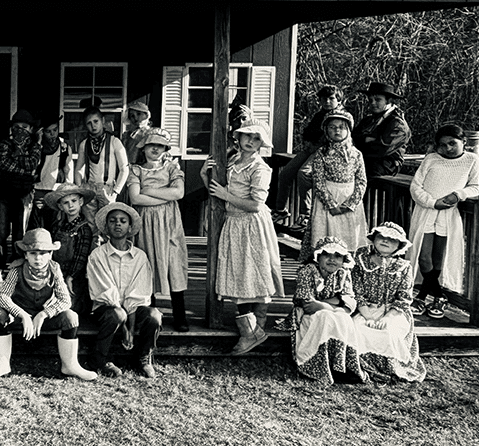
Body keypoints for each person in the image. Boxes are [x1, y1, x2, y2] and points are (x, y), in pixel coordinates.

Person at [202, 121, 286, 356]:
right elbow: (216, 193)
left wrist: (226, 194)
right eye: (246, 136)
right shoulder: (232, 161)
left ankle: (255, 329)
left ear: (261, 143)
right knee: (238, 275)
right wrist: (204, 175)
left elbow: (256, 204)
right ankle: (251, 333)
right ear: (238, 138)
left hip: (251, 224)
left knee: (255, 273)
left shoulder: (260, 168)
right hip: (233, 221)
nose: (249, 141)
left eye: (256, 138)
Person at [0, 228, 96, 382]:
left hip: (43, 320)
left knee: (70, 316)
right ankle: (2, 363)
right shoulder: (17, 270)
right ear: (26, 255)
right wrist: (21, 314)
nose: (38, 258)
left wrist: (44, 314)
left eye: (43, 253)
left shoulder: (54, 269)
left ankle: (70, 364)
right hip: (20, 319)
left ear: (50, 254)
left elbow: (65, 300)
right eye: (33, 253)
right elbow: (2, 296)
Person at [408, 123, 479, 318]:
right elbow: (415, 187)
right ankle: (437, 295)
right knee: (424, 257)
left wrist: (458, 194)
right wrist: (432, 202)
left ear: (463, 142)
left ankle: (424, 297)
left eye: (452, 143)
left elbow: (476, 186)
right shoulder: (431, 159)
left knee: (439, 257)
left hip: (448, 214)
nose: (447, 148)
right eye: (443, 144)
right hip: (426, 211)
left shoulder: (472, 160)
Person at [125, 127, 190, 332]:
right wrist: (163, 194)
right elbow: (135, 198)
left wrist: (148, 190)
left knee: (173, 262)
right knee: (148, 261)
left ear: (165, 148)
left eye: (160, 145)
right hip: (145, 223)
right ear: (144, 147)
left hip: (169, 222)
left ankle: (180, 315)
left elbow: (179, 193)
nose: (155, 149)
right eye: (152, 144)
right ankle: (151, 315)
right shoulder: (136, 170)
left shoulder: (171, 168)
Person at [87, 202, 162, 379]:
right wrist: (125, 327)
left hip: (132, 311)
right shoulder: (97, 255)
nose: (118, 224)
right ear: (106, 227)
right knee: (116, 314)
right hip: (106, 310)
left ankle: (143, 357)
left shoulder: (140, 257)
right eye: (113, 221)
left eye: (123, 221)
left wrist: (131, 326)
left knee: (154, 316)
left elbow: (138, 294)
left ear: (130, 228)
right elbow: (106, 292)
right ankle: (99, 359)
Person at [351, 223, 427, 382]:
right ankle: (363, 368)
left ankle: (392, 369)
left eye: (392, 239)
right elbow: (357, 292)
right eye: (381, 237)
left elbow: (404, 298)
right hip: (366, 308)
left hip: (394, 312)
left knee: (389, 331)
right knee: (358, 328)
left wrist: (387, 318)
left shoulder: (404, 267)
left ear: (399, 245)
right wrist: (369, 317)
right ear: (374, 239)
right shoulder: (361, 261)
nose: (385, 241)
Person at [290, 236, 365, 387]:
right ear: (318, 256)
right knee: (326, 317)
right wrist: (336, 302)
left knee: (344, 319)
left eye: (338, 256)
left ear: (344, 259)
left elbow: (349, 303)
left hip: (331, 312)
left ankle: (341, 365)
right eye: (327, 255)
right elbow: (308, 304)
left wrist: (326, 305)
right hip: (308, 316)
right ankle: (318, 364)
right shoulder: (308, 271)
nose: (332, 260)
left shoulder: (343, 273)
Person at [273, 84, 347, 227]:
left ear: (339, 99)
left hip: (326, 151)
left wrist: (316, 141)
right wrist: (309, 141)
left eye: (331, 98)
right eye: (323, 99)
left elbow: (332, 138)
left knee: (304, 173)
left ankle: (305, 215)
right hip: (310, 148)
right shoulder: (319, 115)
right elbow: (307, 132)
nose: (326, 102)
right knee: (285, 173)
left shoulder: (341, 116)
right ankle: (280, 210)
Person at [299, 109, 367, 264]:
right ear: (326, 131)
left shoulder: (356, 154)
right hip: (327, 201)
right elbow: (319, 181)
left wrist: (350, 204)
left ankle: (348, 270)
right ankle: (322, 268)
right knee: (326, 236)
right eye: (332, 127)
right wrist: (331, 204)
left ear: (348, 130)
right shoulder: (321, 154)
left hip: (349, 200)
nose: (337, 130)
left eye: (341, 127)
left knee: (349, 236)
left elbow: (361, 181)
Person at [0, 109, 42, 281]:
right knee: (0, 229)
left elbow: (32, 163)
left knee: (21, 231)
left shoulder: (35, 147)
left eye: (24, 127)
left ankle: (18, 265)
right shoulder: (5, 143)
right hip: (4, 192)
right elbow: (3, 163)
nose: (20, 130)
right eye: (17, 126)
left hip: (24, 193)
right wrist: (23, 168)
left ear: (31, 129)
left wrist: (18, 162)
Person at [74, 102, 129, 233]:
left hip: (107, 188)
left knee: (108, 225)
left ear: (102, 121)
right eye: (89, 123)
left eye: (96, 121)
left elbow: (124, 168)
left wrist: (115, 191)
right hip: (89, 187)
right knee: (90, 225)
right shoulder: (84, 144)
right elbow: (78, 169)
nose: (93, 126)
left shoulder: (115, 141)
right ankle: (92, 252)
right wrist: (80, 188)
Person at [44, 184, 95, 315]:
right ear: (60, 206)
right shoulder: (57, 226)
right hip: (56, 273)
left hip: (75, 276)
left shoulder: (84, 229)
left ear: (81, 202)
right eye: (66, 203)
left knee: (69, 308)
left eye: (73, 201)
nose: (70, 206)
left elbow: (81, 257)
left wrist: (71, 277)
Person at [351, 81, 412, 179]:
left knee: (368, 169)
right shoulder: (368, 120)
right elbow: (352, 138)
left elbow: (382, 149)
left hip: (386, 164)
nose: (373, 103)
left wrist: (363, 141)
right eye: (370, 100)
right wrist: (366, 140)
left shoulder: (397, 124)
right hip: (364, 160)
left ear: (388, 101)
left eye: (378, 100)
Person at [29, 117, 73, 230]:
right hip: (37, 191)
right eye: (48, 131)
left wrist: (67, 190)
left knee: (54, 225)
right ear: (42, 132)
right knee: (37, 226)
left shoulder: (64, 148)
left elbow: (68, 170)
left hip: (55, 191)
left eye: (55, 130)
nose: (52, 134)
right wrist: (38, 143)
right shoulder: (36, 147)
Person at [121, 100, 154, 166]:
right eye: (132, 116)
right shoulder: (127, 135)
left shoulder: (152, 134)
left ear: (146, 115)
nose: (135, 118)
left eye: (139, 114)